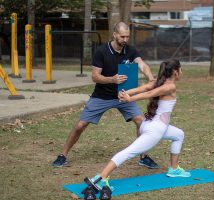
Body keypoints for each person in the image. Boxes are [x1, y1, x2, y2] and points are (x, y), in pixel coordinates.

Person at [52, 22, 159, 169]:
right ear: (114, 35)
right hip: (102, 96)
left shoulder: (130, 50)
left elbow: (142, 64)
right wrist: (112, 79)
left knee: (141, 122)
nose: (125, 40)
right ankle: (62, 155)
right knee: (80, 125)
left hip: (124, 95)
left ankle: (143, 156)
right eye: (122, 36)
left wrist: (150, 78)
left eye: (127, 37)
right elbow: (95, 77)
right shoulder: (101, 51)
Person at [86, 59, 191, 198]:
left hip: (149, 124)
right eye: (181, 69)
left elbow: (144, 89)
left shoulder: (158, 82)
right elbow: (147, 93)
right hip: (155, 130)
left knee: (179, 134)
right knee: (129, 152)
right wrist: (128, 97)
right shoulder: (170, 86)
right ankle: (101, 177)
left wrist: (127, 93)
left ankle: (174, 169)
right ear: (175, 71)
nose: (181, 72)